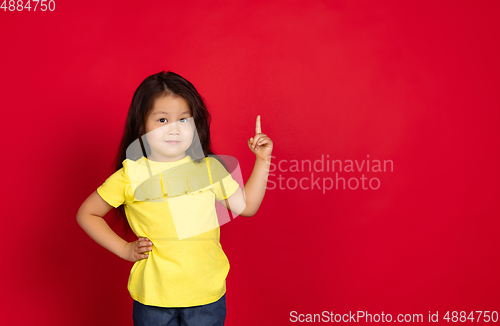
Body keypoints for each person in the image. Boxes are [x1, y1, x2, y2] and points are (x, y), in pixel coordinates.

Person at [76, 71, 273, 326]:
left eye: (183, 120)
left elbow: (246, 207)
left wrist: (262, 161)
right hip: (153, 299)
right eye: (162, 119)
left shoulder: (209, 168)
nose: (174, 129)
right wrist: (124, 249)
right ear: (142, 125)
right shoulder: (131, 175)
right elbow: (87, 213)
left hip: (207, 297)